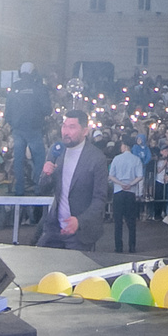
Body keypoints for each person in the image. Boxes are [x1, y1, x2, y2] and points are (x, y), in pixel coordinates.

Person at [33, 108, 109, 252]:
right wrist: (46, 174)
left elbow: (100, 199)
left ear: (85, 131)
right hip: (54, 227)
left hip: (80, 232)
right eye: (64, 126)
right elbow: (43, 189)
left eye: (72, 127)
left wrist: (80, 221)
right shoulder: (56, 150)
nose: (66, 132)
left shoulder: (96, 158)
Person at [6, 64, 50, 225]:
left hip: (18, 129)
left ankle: (19, 190)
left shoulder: (15, 87)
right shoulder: (39, 87)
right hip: (34, 128)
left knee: (18, 159)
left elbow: (8, 109)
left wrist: (12, 122)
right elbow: (47, 109)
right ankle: (38, 188)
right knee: (39, 159)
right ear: (33, 72)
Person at [108, 139, 143, 254]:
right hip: (130, 192)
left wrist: (121, 183)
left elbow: (111, 176)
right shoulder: (136, 159)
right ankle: (132, 246)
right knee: (131, 221)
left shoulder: (116, 159)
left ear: (125, 146)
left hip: (118, 191)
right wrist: (130, 184)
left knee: (118, 222)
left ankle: (118, 247)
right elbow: (140, 176)